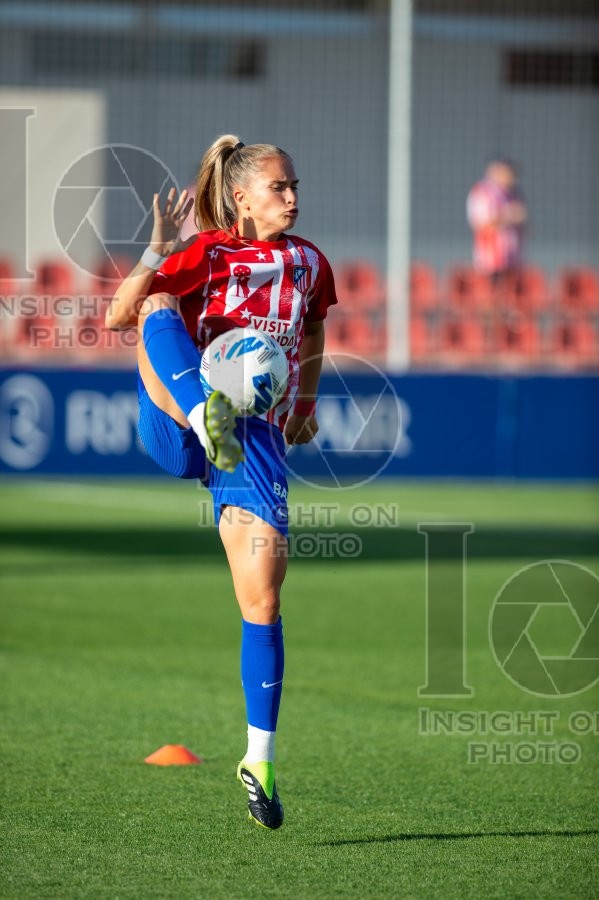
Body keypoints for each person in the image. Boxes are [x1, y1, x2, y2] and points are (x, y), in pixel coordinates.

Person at [105, 135, 337, 830]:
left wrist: (302, 406)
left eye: (295, 185)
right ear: (241, 196)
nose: (292, 197)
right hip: (180, 418)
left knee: (263, 598)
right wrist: (154, 253)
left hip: (255, 435)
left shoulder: (309, 264)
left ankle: (258, 758)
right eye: (278, 187)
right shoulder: (207, 252)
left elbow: (316, 334)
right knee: (154, 304)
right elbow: (119, 316)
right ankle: (206, 415)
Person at [466, 158, 528, 282]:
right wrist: (509, 215)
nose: (512, 176)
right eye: (509, 172)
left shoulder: (513, 194)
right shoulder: (483, 192)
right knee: (491, 294)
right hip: (491, 259)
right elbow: (480, 223)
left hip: (512, 256)